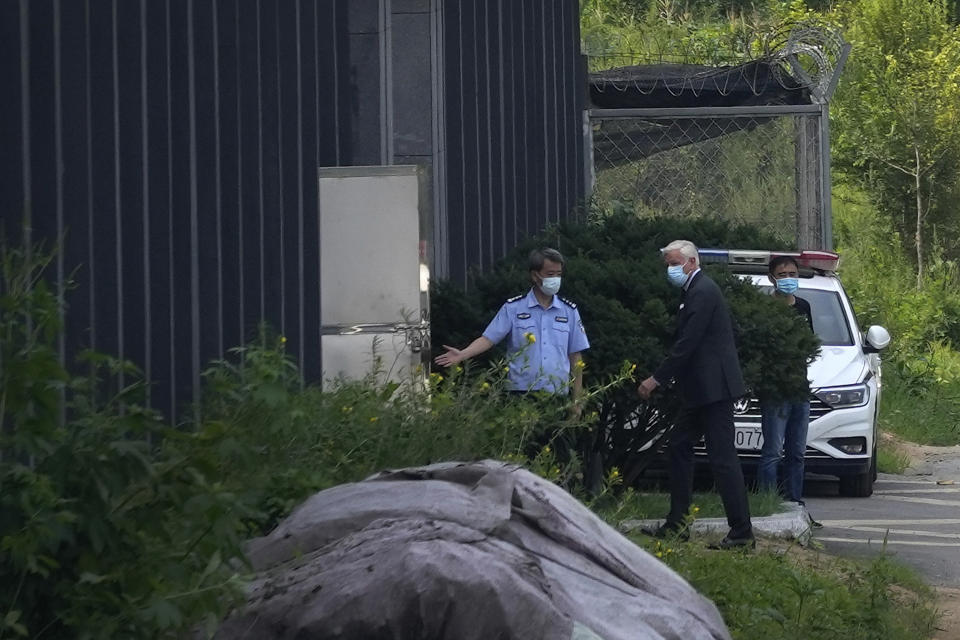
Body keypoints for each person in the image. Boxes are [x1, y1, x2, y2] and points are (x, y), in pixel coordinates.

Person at [637, 240, 754, 549]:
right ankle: (678, 523)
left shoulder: (702, 291)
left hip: (714, 390)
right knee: (679, 446)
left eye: (673, 264)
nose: (669, 270)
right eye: (667, 265)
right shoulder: (694, 290)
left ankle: (741, 532)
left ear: (690, 262)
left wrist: (656, 379)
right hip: (702, 389)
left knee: (723, 458)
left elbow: (688, 343)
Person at [434, 248, 589, 398]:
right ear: (535, 276)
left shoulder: (569, 311)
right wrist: (463, 354)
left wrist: (577, 400)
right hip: (521, 393)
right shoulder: (514, 308)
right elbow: (488, 339)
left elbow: (575, 356)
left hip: (556, 392)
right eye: (550, 274)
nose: (555, 279)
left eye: (558, 274)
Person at [757, 255, 814, 504]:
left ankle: (794, 502)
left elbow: (810, 344)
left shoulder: (803, 307)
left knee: (797, 453)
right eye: (783, 275)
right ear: (772, 278)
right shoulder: (765, 309)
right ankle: (768, 503)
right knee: (772, 452)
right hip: (775, 391)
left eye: (793, 274)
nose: (789, 279)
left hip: (800, 389)